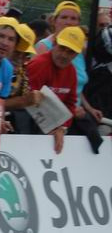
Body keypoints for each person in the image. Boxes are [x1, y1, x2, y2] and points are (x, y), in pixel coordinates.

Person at [27, 26, 89, 154]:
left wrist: (62, 127)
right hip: (30, 126)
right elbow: (28, 100)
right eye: (62, 48)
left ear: (76, 55)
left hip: (53, 128)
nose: (64, 55)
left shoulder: (71, 71)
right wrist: (54, 127)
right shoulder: (39, 64)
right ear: (54, 43)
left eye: (70, 52)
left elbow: (70, 103)